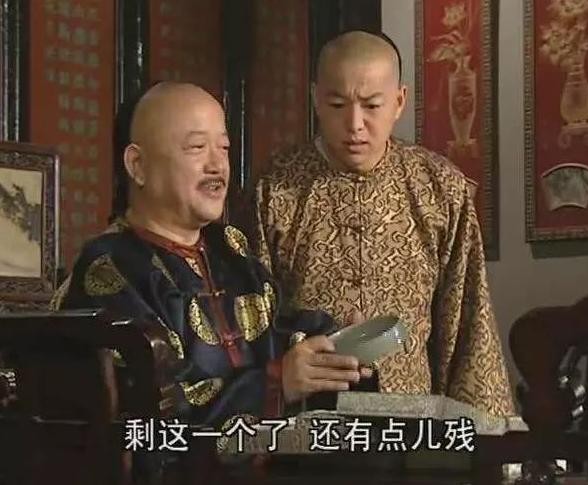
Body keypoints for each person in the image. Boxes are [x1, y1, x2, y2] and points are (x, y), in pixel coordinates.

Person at [53, 81, 371, 430]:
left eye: (224, 147)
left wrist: (338, 346)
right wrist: (276, 383)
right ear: (138, 165)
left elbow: (282, 331)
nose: (217, 165)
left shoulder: (231, 250)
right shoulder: (109, 270)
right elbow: (151, 413)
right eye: (197, 147)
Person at [251, 31, 514, 416]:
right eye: (337, 104)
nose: (355, 124)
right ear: (315, 99)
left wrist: (477, 435)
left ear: (399, 101)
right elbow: (254, 320)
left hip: (412, 417)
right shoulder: (276, 189)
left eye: (372, 105)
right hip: (310, 420)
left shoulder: (439, 187)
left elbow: (467, 321)